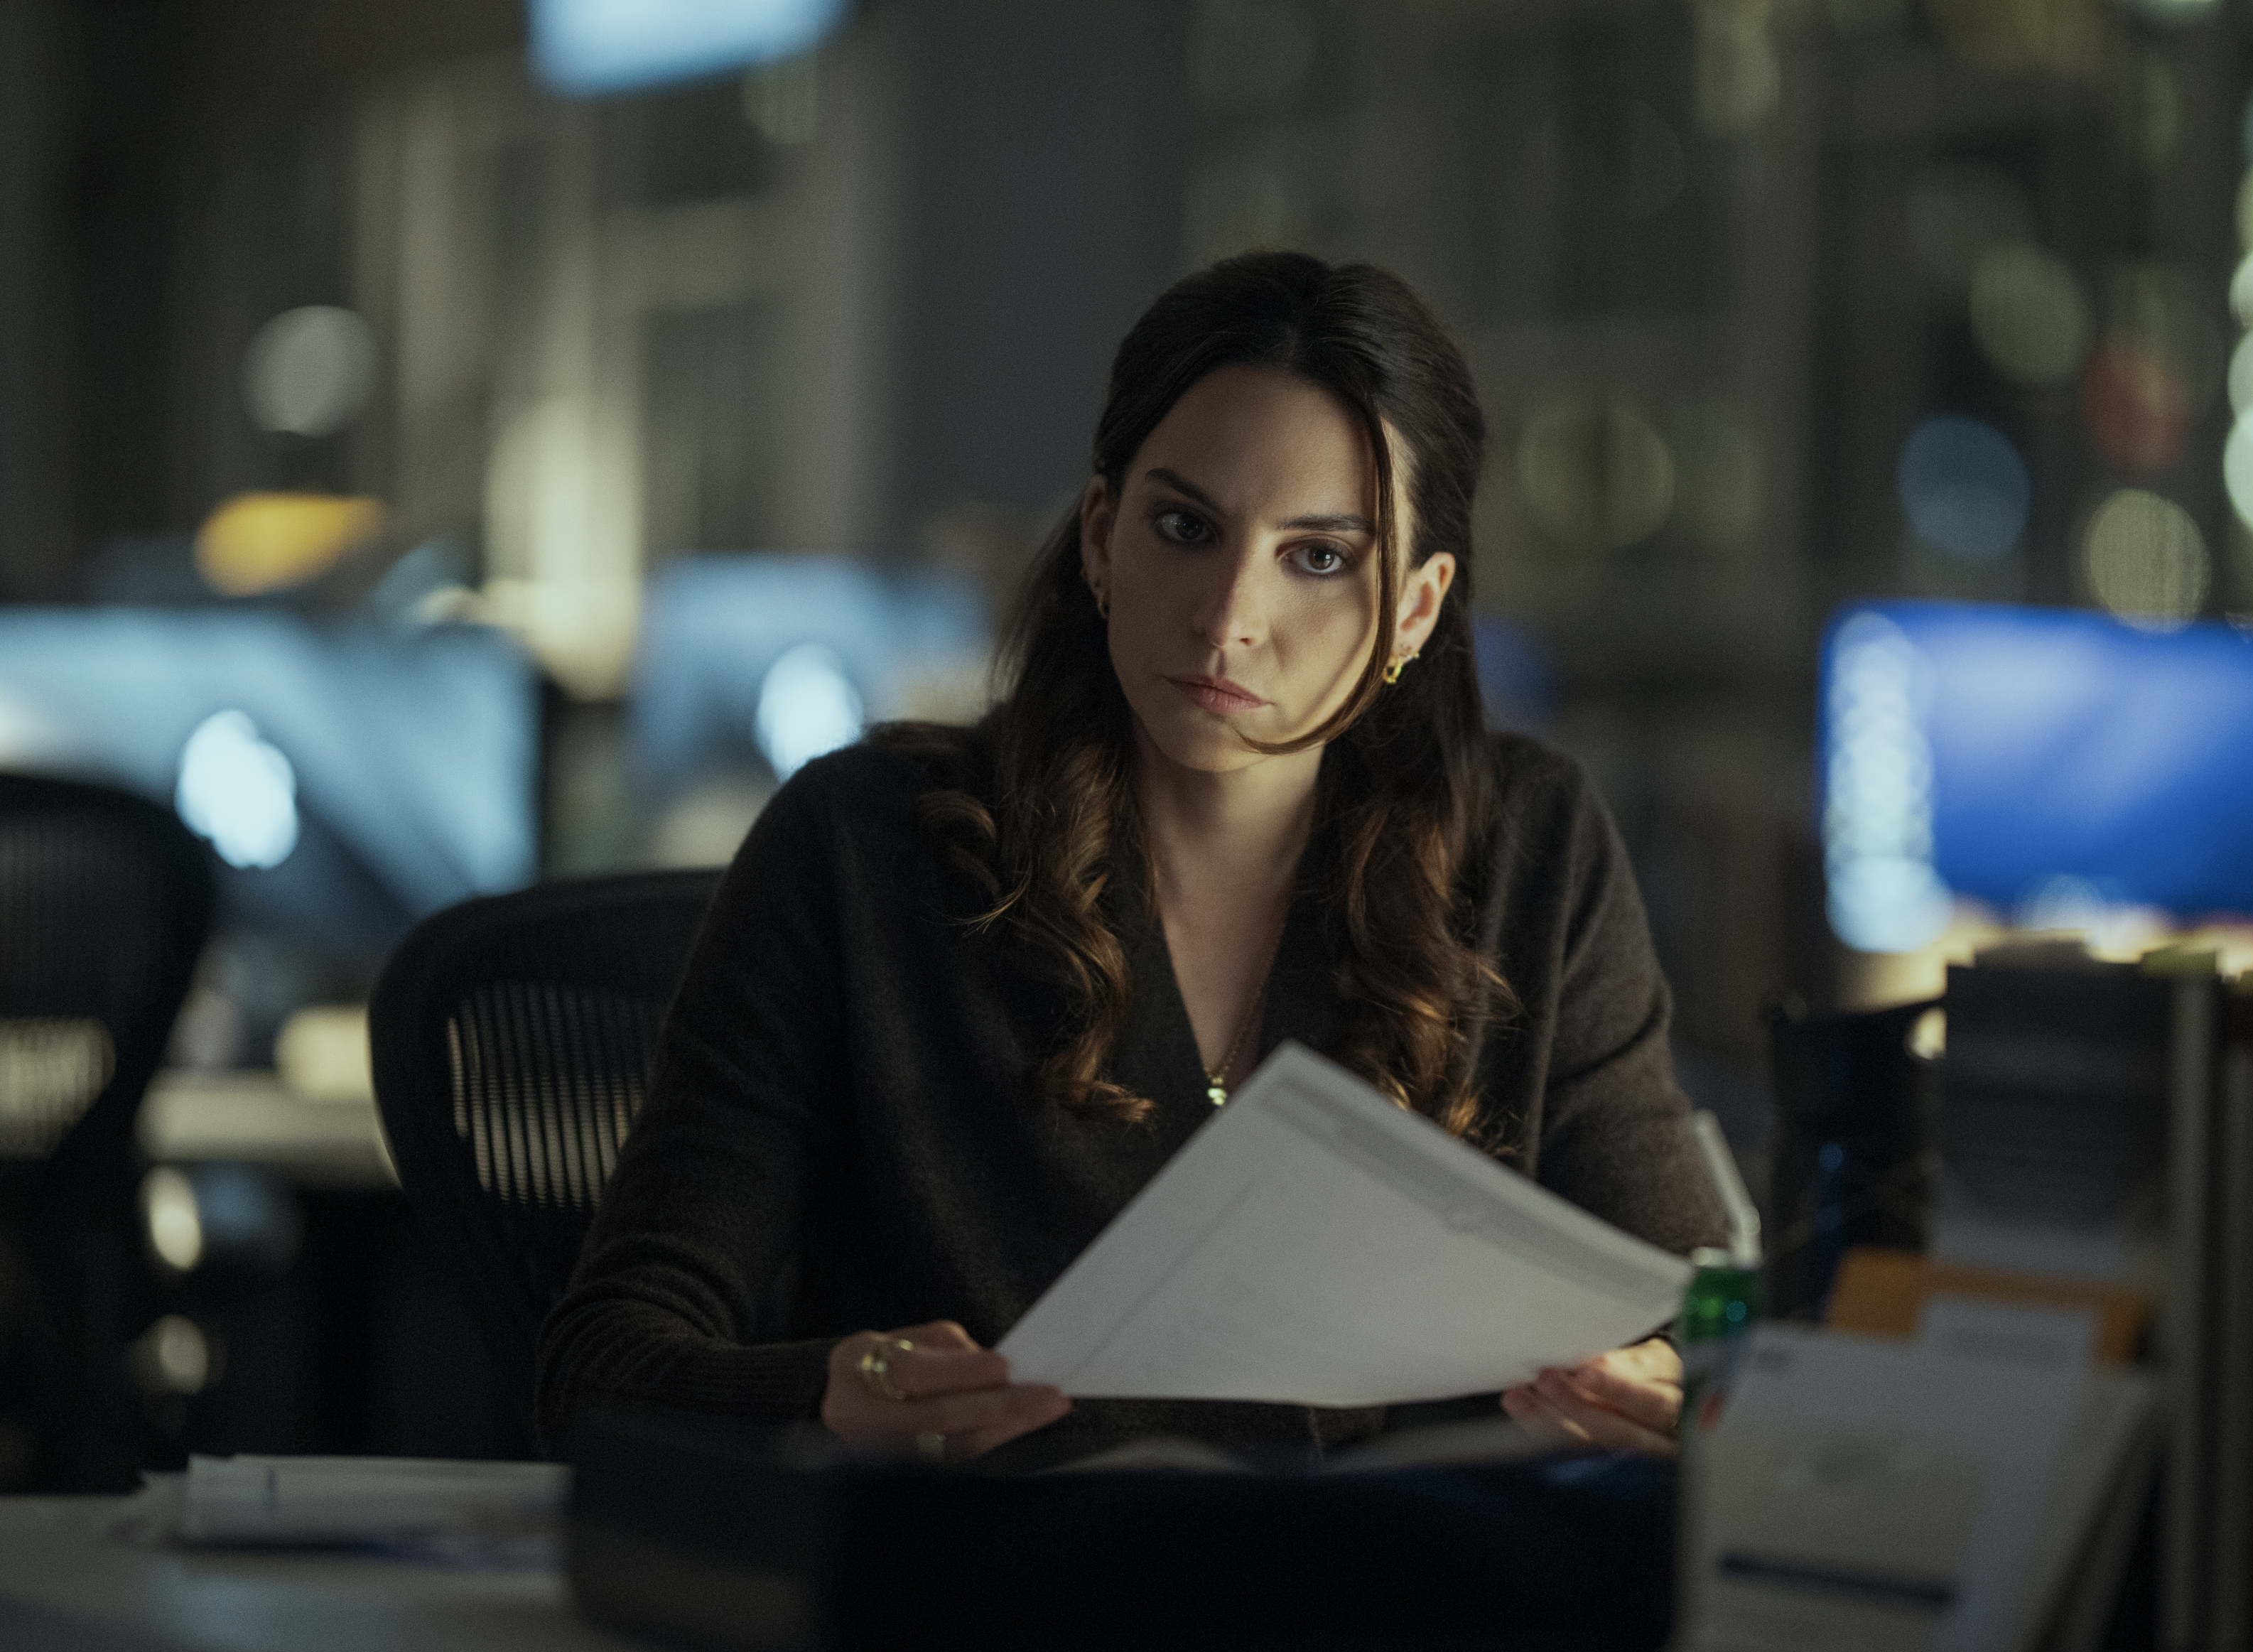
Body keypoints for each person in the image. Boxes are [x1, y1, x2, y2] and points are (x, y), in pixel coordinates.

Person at [536, 252, 1727, 1472]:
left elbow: (1708, 1320)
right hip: (1003, 1618)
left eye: (1318, 556)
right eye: (1185, 528)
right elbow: (604, 1363)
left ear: (1416, 611)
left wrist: (1681, 1387)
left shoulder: (1534, 850)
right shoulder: (862, 847)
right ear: (1102, 538)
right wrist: (825, 1393)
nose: (1227, 618)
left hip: (1395, 1624)